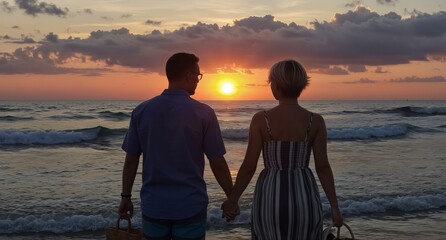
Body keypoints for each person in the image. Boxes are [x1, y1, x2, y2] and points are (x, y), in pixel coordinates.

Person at [222, 59, 343, 239]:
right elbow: (323, 167)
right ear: (302, 86)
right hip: (304, 196)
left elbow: (249, 166)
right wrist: (335, 207)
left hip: (270, 196)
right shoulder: (315, 121)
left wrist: (233, 200)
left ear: (276, 86)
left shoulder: (261, 120)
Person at [119, 52, 234, 240]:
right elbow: (217, 161)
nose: (198, 80)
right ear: (188, 75)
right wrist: (232, 197)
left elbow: (131, 159)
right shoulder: (203, 113)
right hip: (190, 205)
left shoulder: (142, 111)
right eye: (198, 75)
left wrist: (125, 197)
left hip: (154, 205)